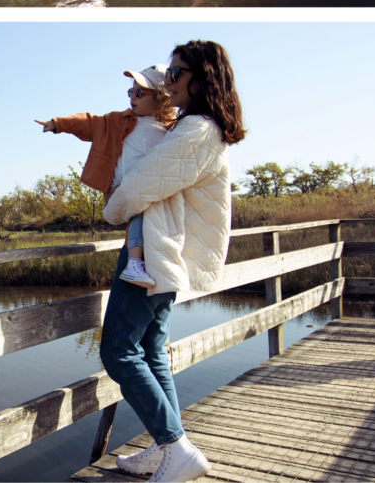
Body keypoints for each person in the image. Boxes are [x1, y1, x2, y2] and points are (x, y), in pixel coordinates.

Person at [100, 40, 245, 483]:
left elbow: (144, 182)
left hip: (156, 251)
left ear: (203, 80)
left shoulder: (198, 129)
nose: (168, 80)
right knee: (148, 350)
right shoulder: (197, 127)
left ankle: (175, 448)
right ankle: (164, 444)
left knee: (119, 351)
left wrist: (111, 210)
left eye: (177, 73)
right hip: (167, 250)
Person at [35, 65, 176, 288]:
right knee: (138, 215)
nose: (133, 97)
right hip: (124, 187)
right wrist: (58, 124)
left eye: (139, 92)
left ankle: (135, 262)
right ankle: (134, 263)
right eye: (131, 91)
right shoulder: (119, 121)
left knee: (146, 216)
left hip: (153, 189)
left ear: (161, 99)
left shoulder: (172, 129)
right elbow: (90, 123)